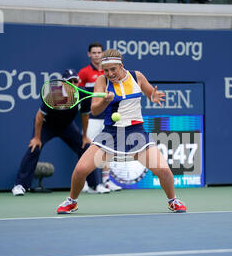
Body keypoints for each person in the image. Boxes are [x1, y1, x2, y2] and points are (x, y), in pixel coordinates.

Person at [57, 49, 187, 214]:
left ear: (121, 65)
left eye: (113, 69)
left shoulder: (136, 76)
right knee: (80, 170)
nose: (110, 73)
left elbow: (149, 93)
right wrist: (105, 101)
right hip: (110, 135)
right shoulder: (101, 81)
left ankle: (173, 200)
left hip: (136, 134)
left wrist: (153, 96)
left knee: (164, 171)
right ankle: (72, 201)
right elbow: (95, 111)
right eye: (106, 70)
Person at [11, 69, 99, 196]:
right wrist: (36, 137)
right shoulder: (54, 94)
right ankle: (20, 185)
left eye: (75, 81)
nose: (73, 83)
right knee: (34, 148)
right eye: (70, 81)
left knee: (85, 147)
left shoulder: (82, 95)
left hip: (67, 127)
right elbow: (39, 116)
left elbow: (84, 115)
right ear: (63, 83)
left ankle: (94, 185)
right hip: (48, 126)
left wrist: (85, 136)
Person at [78, 42, 122, 193]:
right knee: (86, 148)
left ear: (103, 54)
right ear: (89, 55)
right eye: (94, 52)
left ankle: (106, 181)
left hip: (108, 117)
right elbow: (79, 93)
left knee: (108, 149)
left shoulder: (108, 72)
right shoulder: (84, 73)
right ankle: (83, 181)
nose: (96, 55)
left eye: (99, 52)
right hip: (91, 117)